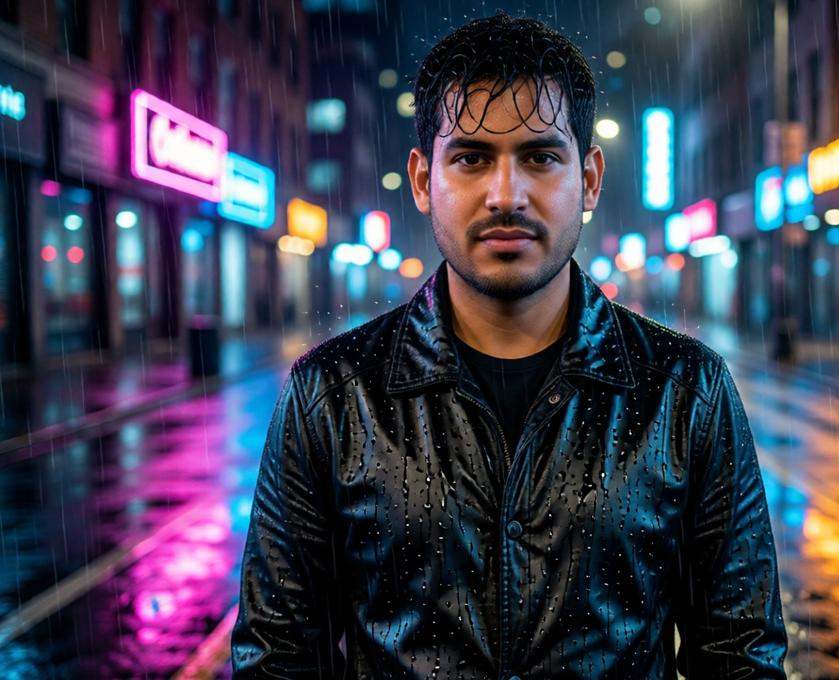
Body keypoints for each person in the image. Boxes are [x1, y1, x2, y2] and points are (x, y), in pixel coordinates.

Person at [232, 12, 786, 679]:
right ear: (422, 179)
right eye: (470, 157)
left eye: (540, 156)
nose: (506, 194)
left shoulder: (685, 387)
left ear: (587, 179)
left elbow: (740, 655)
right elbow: (278, 657)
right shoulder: (333, 392)